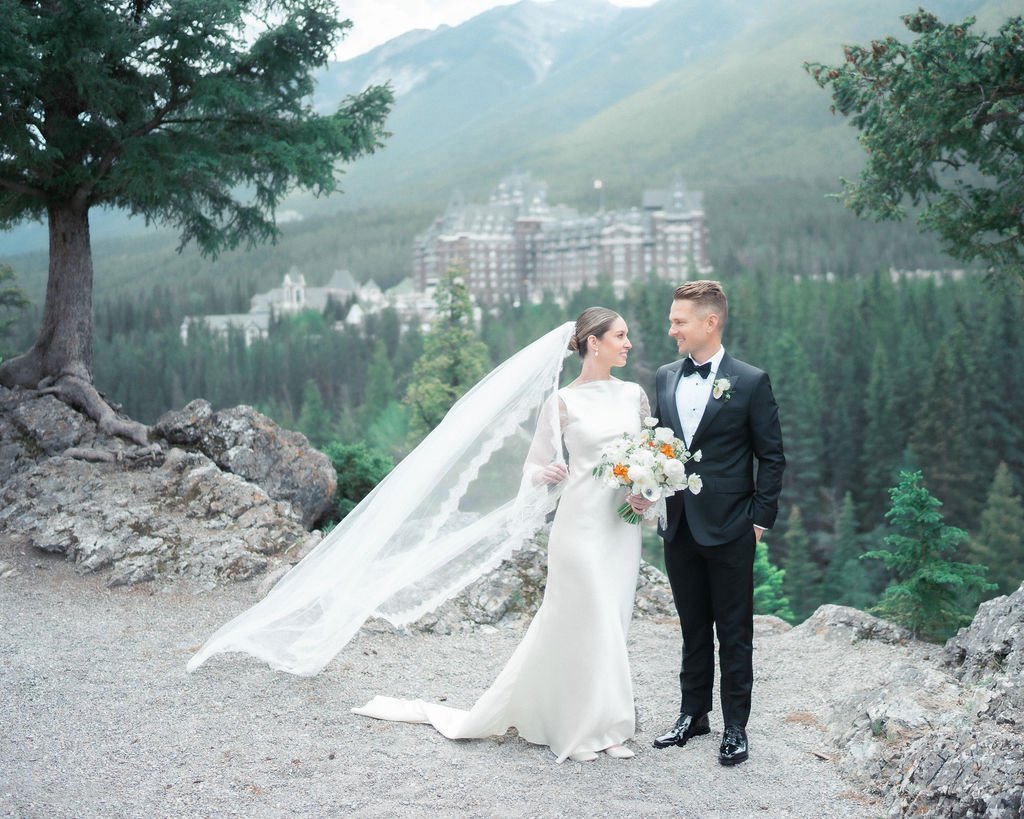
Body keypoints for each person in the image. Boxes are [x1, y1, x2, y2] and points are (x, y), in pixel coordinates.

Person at [352, 307, 652, 763]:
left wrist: (648, 495)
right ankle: (576, 729)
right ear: (594, 342)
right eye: (620, 335)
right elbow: (534, 466)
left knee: (612, 621)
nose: (628, 343)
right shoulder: (563, 403)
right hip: (579, 526)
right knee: (587, 617)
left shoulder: (633, 395)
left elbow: (651, 458)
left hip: (620, 527)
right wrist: (545, 472)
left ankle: (608, 727)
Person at [646, 280, 785, 766]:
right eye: (671, 321)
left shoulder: (750, 381)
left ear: (711, 321)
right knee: (691, 626)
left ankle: (736, 727)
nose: (671, 330)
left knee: (734, 630)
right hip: (679, 523)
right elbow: (658, 446)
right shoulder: (664, 377)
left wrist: (758, 521)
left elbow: (771, 458)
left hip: (732, 526)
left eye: (679, 321)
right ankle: (693, 714)